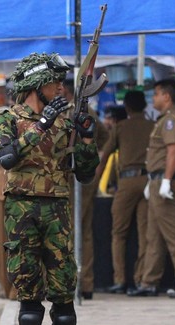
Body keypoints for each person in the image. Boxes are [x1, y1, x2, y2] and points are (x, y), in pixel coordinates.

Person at [0, 52, 99, 325]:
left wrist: (87, 138)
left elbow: (85, 173)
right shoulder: (7, 119)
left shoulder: (68, 120)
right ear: (39, 86)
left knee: (64, 287)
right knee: (28, 288)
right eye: (56, 82)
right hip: (22, 211)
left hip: (57, 211)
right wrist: (42, 125)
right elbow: (7, 158)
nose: (61, 88)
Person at [128, 79, 175, 298]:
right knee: (154, 235)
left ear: (166, 96)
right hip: (156, 180)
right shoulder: (165, 120)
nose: (153, 99)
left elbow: (173, 151)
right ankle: (149, 282)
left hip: (164, 181)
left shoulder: (171, 121)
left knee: (173, 234)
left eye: (156, 95)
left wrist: (167, 181)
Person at [95, 90, 154, 294]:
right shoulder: (152, 126)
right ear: (145, 106)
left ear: (127, 107)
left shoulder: (121, 127)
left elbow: (105, 156)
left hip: (127, 181)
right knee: (145, 233)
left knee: (119, 233)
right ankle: (140, 279)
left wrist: (94, 182)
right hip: (148, 180)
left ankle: (120, 279)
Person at [62, 78, 109, 299]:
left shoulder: (77, 111)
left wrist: (93, 161)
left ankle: (81, 282)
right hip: (73, 176)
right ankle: (83, 282)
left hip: (78, 176)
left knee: (75, 230)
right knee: (81, 231)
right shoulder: (75, 110)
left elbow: (105, 139)